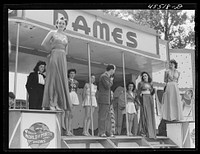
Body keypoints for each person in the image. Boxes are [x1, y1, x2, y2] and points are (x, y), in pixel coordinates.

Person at [41, 17, 72, 112]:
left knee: (61, 79)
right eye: (60, 23)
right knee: (53, 79)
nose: (61, 25)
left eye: (63, 23)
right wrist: (51, 51)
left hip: (62, 58)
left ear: (65, 26)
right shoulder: (52, 33)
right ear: (57, 24)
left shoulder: (66, 37)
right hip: (54, 55)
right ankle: (51, 103)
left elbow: (66, 51)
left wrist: (61, 55)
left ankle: (58, 102)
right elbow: (44, 44)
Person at [158, 59, 183, 136]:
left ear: (175, 65)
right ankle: (169, 116)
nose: (171, 65)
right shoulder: (166, 72)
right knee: (169, 102)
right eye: (170, 64)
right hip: (169, 86)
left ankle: (176, 116)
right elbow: (165, 80)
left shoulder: (178, 72)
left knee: (175, 102)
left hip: (175, 86)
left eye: (172, 64)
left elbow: (177, 80)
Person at [97, 64, 116, 137]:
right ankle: (101, 132)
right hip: (103, 99)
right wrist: (111, 81)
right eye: (114, 70)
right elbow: (107, 86)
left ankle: (108, 131)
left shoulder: (106, 76)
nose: (114, 72)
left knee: (108, 116)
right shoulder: (104, 76)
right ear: (111, 70)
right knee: (103, 116)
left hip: (107, 99)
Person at [137, 72, 156, 139]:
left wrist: (153, 90)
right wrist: (141, 100)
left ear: (148, 76)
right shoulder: (140, 84)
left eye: (146, 75)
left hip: (149, 98)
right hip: (144, 98)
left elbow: (152, 92)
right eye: (143, 76)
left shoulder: (150, 84)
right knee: (144, 114)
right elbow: (138, 92)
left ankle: (151, 132)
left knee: (150, 115)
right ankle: (143, 131)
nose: (144, 77)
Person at [65, 68, 80, 136]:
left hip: (74, 95)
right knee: (67, 114)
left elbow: (76, 90)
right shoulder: (66, 80)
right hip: (68, 95)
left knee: (71, 115)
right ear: (68, 74)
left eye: (73, 73)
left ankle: (70, 129)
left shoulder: (76, 82)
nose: (72, 75)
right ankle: (66, 130)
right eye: (71, 73)